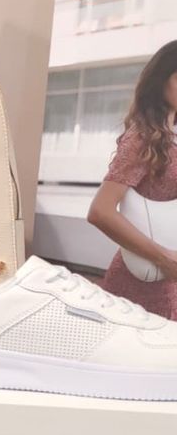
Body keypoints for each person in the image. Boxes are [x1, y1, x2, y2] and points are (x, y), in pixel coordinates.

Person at [88, 40, 177, 319]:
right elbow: (100, 212)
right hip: (144, 282)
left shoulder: (172, 135)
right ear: (161, 80)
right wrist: (163, 257)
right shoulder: (143, 137)